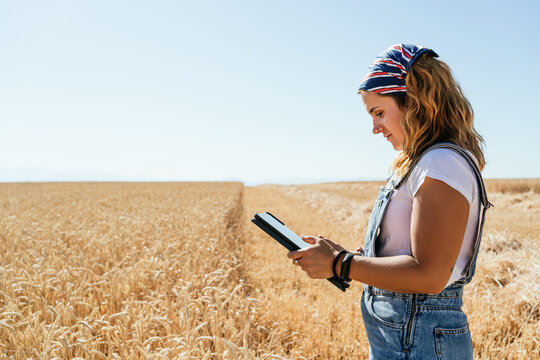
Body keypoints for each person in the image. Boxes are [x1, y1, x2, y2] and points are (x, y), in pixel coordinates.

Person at [286, 44, 493, 359]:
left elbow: (430, 275)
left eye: (379, 113)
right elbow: (404, 251)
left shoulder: (441, 163)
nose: (374, 128)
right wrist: (344, 257)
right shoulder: (426, 162)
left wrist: (341, 265)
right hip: (406, 339)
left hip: (418, 343)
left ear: (416, 103)